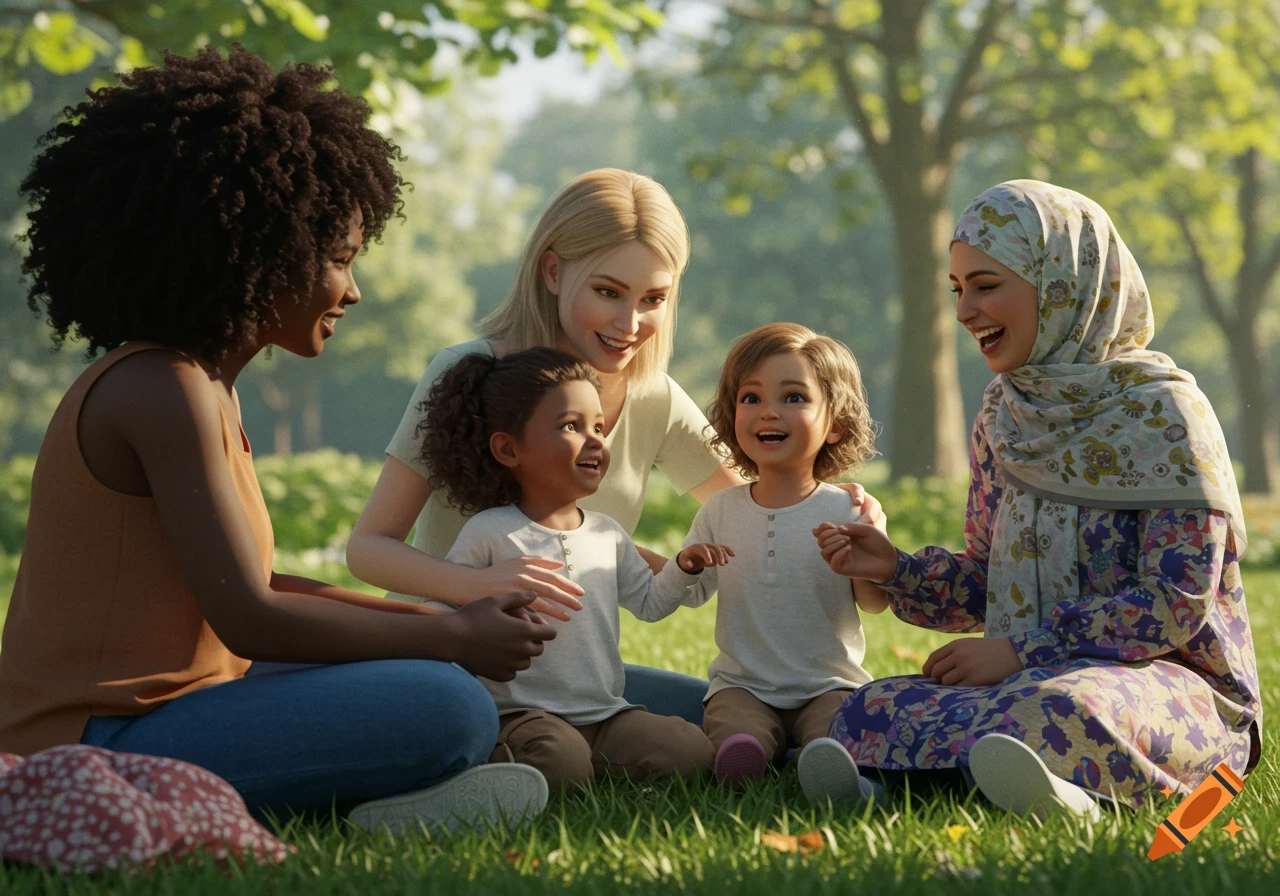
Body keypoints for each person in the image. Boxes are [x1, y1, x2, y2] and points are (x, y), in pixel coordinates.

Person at [0, 46, 557, 834]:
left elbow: (259, 582)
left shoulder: (201, 387)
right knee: (450, 706)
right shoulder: (163, 390)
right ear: (260, 250)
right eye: (338, 260)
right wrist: (452, 639)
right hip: (94, 742)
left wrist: (440, 621)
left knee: (419, 670)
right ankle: (383, 795)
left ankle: (385, 801)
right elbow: (253, 617)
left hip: (175, 709)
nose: (353, 290)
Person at [797, 180, 1259, 820]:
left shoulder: (1166, 414)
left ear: (1062, 284)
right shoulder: (1004, 417)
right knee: (869, 705)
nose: (965, 310)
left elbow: (1174, 602)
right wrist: (895, 569)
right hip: (1022, 682)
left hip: (1170, 687)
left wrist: (1023, 650)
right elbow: (988, 580)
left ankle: (1069, 799)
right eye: (957, 290)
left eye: (986, 285)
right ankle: (893, 789)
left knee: (1062, 710)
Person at [416, 346, 727, 792]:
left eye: (599, 427)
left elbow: (651, 604)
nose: (596, 440)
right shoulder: (490, 531)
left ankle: (585, 766)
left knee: (690, 752)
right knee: (557, 759)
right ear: (508, 448)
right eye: (571, 426)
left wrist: (681, 566)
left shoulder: (608, 534)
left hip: (605, 714)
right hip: (522, 714)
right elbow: (445, 613)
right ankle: (494, 764)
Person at [657, 323, 889, 788]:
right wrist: (688, 564)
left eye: (794, 398)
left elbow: (874, 602)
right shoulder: (720, 509)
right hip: (743, 684)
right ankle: (745, 759)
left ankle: (823, 762)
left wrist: (864, 560)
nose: (769, 413)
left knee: (838, 729)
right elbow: (693, 593)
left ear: (836, 425)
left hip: (829, 683)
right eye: (751, 398)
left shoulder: (848, 509)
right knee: (734, 728)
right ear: (730, 414)